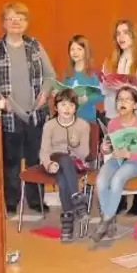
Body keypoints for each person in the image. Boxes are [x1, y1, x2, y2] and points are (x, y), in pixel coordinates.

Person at [0, 1, 56, 215]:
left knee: (35, 160)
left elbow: (51, 76)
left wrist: (45, 92)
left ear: (26, 23)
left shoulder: (35, 46)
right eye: (11, 18)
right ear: (4, 23)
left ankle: (35, 200)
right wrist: (0, 100)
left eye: (20, 18)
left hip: (36, 114)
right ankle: (11, 201)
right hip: (10, 116)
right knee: (11, 162)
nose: (15, 22)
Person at [90, 86, 137, 246]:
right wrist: (105, 148)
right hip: (116, 160)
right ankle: (109, 219)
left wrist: (129, 154)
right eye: (119, 100)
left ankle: (105, 221)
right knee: (101, 181)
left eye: (127, 100)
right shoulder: (112, 123)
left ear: (135, 105)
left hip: (135, 162)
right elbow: (110, 147)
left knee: (117, 179)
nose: (122, 103)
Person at [100, 19, 137, 215]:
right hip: (113, 115)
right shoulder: (110, 60)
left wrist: (127, 88)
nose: (121, 37)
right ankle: (116, 201)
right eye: (118, 33)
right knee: (113, 156)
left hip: (136, 116)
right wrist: (108, 86)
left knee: (133, 155)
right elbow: (103, 88)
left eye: (125, 33)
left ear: (133, 36)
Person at [39, 89, 91, 243]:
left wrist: (75, 145)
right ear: (56, 108)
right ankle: (77, 201)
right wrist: (48, 164)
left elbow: (84, 154)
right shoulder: (49, 125)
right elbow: (44, 151)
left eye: (71, 105)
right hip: (53, 161)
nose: (67, 109)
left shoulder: (83, 125)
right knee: (63, 160)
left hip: (75, 163)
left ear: (76, 108)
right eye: (63, 105)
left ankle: (68, 216)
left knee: (63, 178)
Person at [62, 35, 103, 124]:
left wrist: (87, 99)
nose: (75, 52)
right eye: (72, 49)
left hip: (88, 120)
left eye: (79, 49)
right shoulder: (67, 73)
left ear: (86, 51)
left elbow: (100, 95)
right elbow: (63, 93)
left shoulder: (93, 74)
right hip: (69, 121)